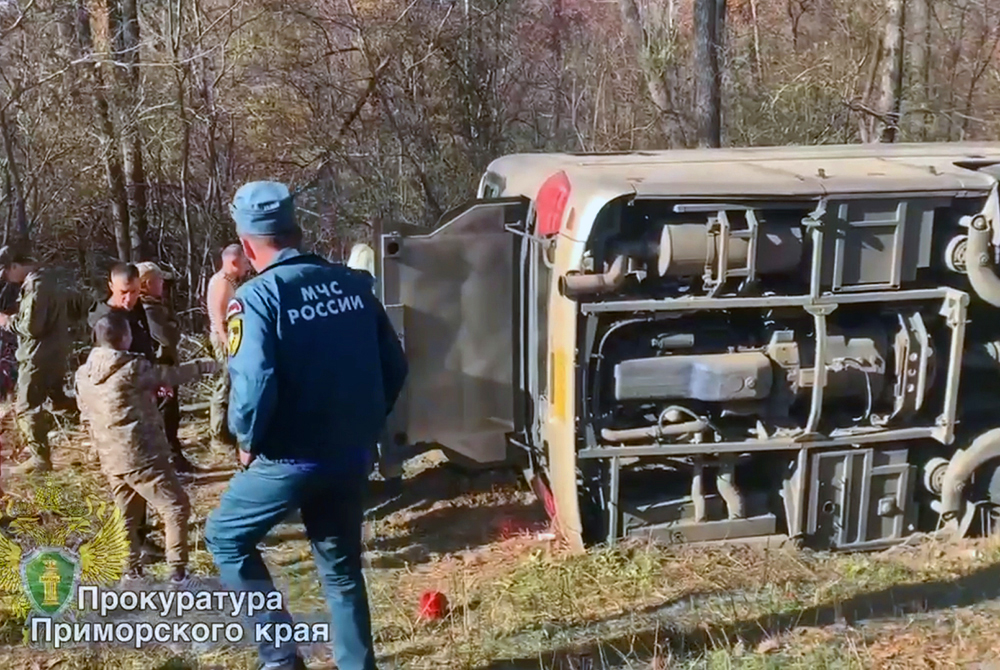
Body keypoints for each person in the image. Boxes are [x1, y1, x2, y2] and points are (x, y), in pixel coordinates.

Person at [205, 181, 407, 670]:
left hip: (290, 456)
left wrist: (247, 441)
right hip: (352, 452)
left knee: (225, 538)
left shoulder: (255, 298)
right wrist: (362, 425)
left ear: (248, 243)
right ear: (296, 228)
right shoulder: (351, 283)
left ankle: (280, 659)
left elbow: (254, 381)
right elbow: (395, 365)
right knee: (340, 570)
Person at [76, 312, 216, 583]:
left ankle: (131, 571)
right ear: (125, 338)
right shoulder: (132, 368)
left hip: (110, 456)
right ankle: (178, 574)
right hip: (142, 454)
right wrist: (206, 366)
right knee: (175, 506)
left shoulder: (83, 374)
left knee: (127, 514)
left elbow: (86, 412)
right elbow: (170, 376)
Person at [0, 248, 75, 474]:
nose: (6, 279)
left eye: (6, 272)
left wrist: (7, 321)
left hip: (38, 356)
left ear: (15, 266)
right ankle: (90, 416)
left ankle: (40, 459)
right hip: (55, 352)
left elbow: (32, 327)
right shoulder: (53, 280)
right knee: (57, 400)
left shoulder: (36, 284)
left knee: (26, 407)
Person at [137, 261, 199, 473]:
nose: (163, 284)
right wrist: (172, 326)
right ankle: (171, 461)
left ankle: (174, 458)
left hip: (166, 365)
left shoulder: (157, 305)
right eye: (158, 280)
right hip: (160, 368)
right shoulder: (148, 309)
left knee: (171, 414)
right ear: (145, 284)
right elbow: (167, 336)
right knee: (166, 415)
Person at [205, 244, 251, 452]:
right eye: (245, 262)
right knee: (224, 385)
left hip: (230, 338)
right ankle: (219, 436)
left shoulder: (228, 281)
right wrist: (228, 345)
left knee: (231, 385)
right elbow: (219, 319)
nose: (247, 267)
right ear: (234, 262)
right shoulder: (222, 284)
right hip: (224, 339)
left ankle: (228, 431)